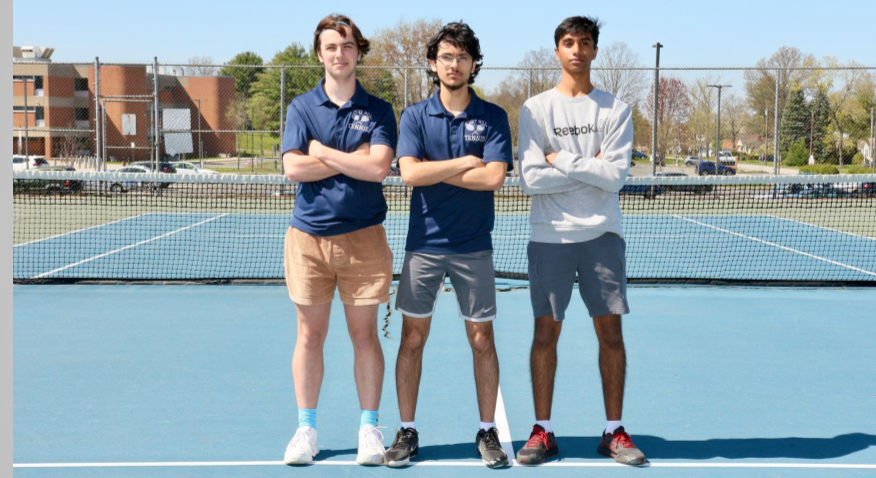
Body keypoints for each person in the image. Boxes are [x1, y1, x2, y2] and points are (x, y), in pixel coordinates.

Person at [512, 15, 646, 467]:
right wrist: (585, 166)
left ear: (594, 51)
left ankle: (613, 432)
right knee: (544, 333)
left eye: (584, 43)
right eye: (568, 43)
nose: (576, 50)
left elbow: (613, 178)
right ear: (557, 51)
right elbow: (531, 179)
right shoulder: (535, 109)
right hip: (549, 237)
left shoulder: (615, 109)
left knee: (611, 334)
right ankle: (543, 431)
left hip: (601, 236)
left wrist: (559, 159)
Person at [379, 21, 512, 469]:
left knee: (481, 339)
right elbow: (410, 174)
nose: (454, 64)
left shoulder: (493, 117)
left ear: (474, 64)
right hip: (425, 245)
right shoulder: (414, 116)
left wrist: (436, 168)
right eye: (446, 57)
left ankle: (487, 431)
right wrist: (461, 164)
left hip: (474, 246)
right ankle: (408, 430)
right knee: (413, 338)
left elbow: (494, 177)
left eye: (462, 57)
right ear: (434, 64)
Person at [277, 13, 398, 467]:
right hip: (307, 238)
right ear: (320, 53)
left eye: (347, 46)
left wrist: (322, 152)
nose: (339, 54)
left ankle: (370, 428)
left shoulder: (380, 110)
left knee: (364, 336)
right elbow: (293, 168)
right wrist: (354, 158)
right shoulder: (301, 109)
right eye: (331, 46)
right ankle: (306, 429)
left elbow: (378, 168)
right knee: (309, 336)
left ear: (358, 52)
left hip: (365, 239)